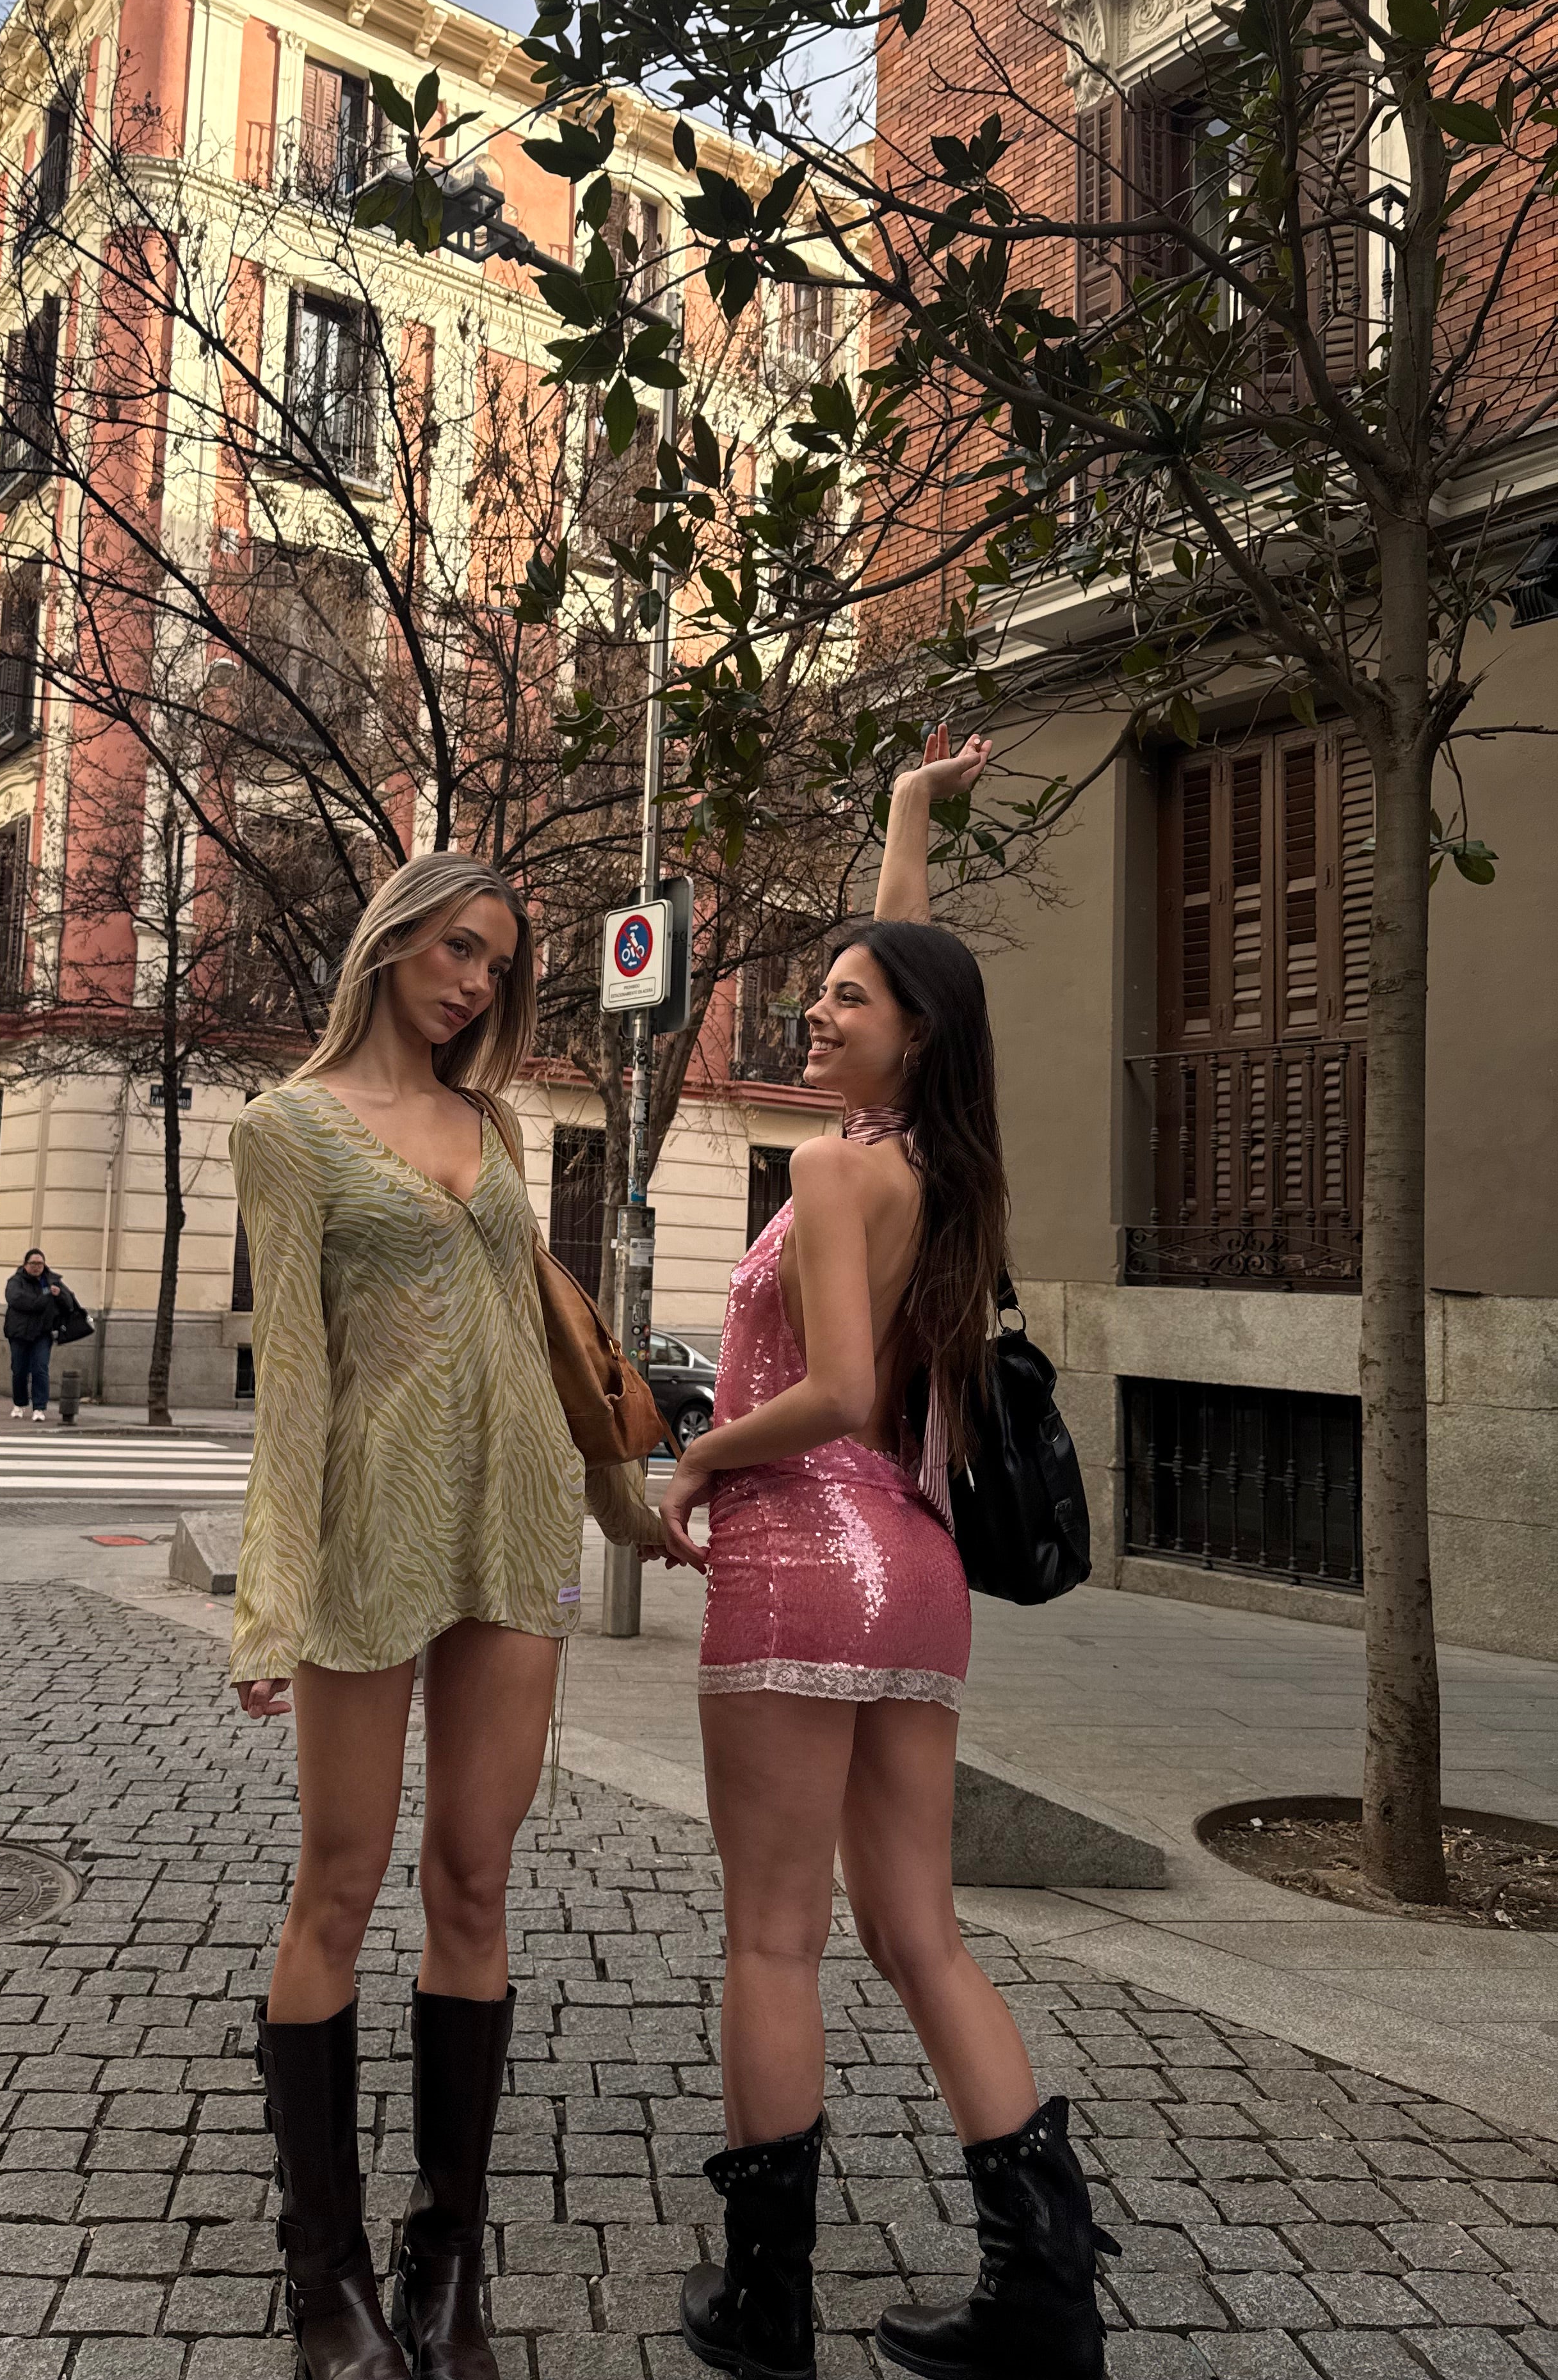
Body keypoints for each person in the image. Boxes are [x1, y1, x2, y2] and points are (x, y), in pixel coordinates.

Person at [657, 730, 1117, 2380]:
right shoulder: (938, 1162)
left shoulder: (829, 1165)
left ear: (909, 1032)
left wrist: (700, 1454)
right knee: (921, 1932)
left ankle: (766, 2305)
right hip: (915, 1573)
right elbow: (917, 960)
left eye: (846, 997)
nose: (816, 1008)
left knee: (774, 1935)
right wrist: (913, 817)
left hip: (803, 1550)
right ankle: (1045, 2296)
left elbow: (841, 1395)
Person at [229, 853, 588, 2380]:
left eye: (497, 964)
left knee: (474, 1881)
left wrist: (631, 1503)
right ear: (390, 942)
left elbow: (538, 1330)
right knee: (339, 1882)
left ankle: (450, 2266)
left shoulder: (492, 1124)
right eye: (457, 949)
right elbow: (293, 1377)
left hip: (518, 1520)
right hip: (372, 1530)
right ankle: (327, 2278)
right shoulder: (286, 1127)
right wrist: (270, 1598)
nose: (475, 983)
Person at [2, 1249, 63, 1421]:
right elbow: (18, 1300)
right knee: (19, 1370)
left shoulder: (52, 1281)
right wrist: (45, 1297)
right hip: (19, 1332)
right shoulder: (16, 1281)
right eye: (33, 1264)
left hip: (43, 1333)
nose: (37, 1267)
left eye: (40, 1264)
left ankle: (39, 1408)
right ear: (26, 1265)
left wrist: (59, 1295)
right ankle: (19, 1404)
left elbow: (67, 1302)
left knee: (40, 1368)